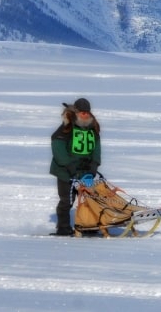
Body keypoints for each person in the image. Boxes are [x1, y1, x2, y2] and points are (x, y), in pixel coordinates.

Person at [49, 98, 101, 236]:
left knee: (90, 199)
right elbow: (58, 148)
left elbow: (96, 148)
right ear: (76, 112)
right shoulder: (67, 127)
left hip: (85, 171)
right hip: (65, 172)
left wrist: (93, 167)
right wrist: (71, 167)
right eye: (82, 112)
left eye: (87, 112)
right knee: (67, 200)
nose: (85, 115)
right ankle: (63, 228)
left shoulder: (93, 127)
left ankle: (89, 226)